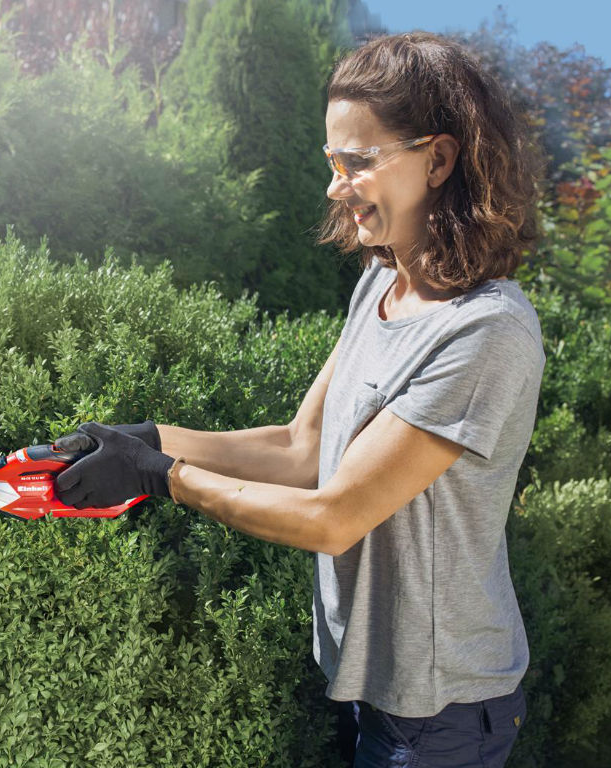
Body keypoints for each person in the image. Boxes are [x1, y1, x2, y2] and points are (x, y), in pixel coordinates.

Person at [55, 31, 544, 768]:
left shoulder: (485, 331)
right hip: (369, 685)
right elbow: (301, 447)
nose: (334, 186)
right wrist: (148, 438)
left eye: (358, 161)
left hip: (441, 711)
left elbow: (333, 515)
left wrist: (160, 478)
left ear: (438, 160)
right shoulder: (380, 284)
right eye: (331, 162)